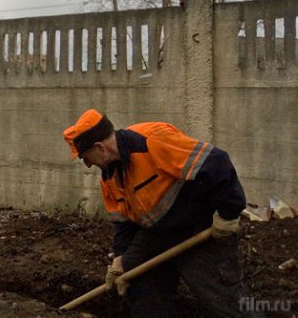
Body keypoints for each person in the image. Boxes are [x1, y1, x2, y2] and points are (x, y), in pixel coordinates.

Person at [63, 109, 262, 318]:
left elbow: (216, 162)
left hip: (199, 229)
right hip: (157, 234)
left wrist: (228, 215)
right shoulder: (109, 177)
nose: (87, 163)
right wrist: (119, 259)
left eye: (85, 157)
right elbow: (124, 224)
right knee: (136, 277)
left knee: (223, 300)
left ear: (99, 148)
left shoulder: (152, 141)